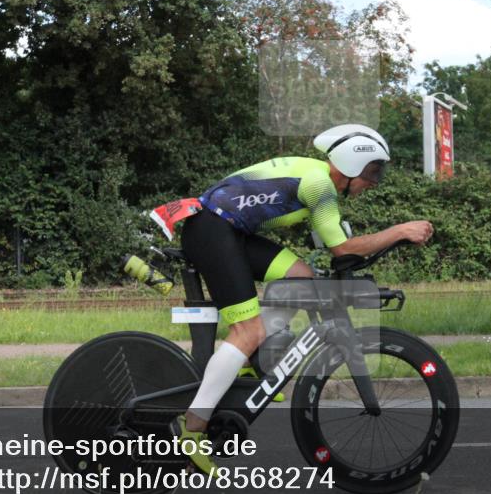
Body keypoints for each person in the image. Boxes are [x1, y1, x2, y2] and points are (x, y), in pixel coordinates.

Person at [169, 124, 434, 474]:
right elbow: (342, 249)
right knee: (247, 331)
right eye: (373, 172)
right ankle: (192, 428)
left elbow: (329, 244)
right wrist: (400, 231)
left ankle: (251, 359)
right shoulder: (320, 185)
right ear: (352, 165)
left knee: (300, 278)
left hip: (227, 229)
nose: (374, 182)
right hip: (213, 231)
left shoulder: (317, 178)